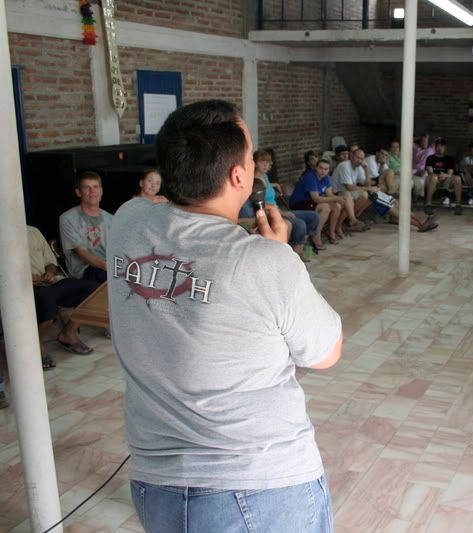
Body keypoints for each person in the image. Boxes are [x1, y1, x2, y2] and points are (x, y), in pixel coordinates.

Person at [108, 100, 342, 532]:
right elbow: (325, 353)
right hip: (259, 487)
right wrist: (279, 254)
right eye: (251, 156)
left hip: (154, 485)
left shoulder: (127, 222)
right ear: (239, 176)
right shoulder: (265, 262)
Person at [28, 225, 99, 368]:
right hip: (22, 289)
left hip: (49, 282)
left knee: (93, 291)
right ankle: (36, 345)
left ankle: (68, 333)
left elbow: (51, 262)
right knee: (47, 302)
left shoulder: (32, 231)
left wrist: (50, 272)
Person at [240, 150, 321, 261]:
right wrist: (282, 213)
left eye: (268, 162)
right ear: (255, 163)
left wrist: (276, 184)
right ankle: (296, 254)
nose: (265, 165)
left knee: (314, 216)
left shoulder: (264, 176)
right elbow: (259, 203)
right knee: (300, 224)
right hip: (272, 213)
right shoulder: (254, 182)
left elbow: (267, 186)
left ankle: (300, 245)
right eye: (262, 162)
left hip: (278, 209)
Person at [59, 171, 113, 282]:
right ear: (78, 192)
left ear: (101, 191)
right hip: (84, 273)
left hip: (108, 269)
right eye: (87, 187)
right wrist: (110, 268)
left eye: (96, 187)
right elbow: (81, 252)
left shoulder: (111, 219)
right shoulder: (67, 218)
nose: (92, 191)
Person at [291, 158, 347, 244]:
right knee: (325, 207)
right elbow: (316, 198)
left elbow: (329, 194)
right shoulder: (310, 176)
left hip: (311, 202)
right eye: (321, 168)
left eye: (326, 169)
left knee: (337, 206)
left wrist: (339, 198)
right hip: (299, 203)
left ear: (329, 170)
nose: (323, 171)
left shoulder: (327, 178)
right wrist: (336, 198)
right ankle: (316, 235)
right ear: (316, 168)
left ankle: (331, 232)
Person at [331, 147, 373, 230]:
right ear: (351, 156)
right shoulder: (344, 165)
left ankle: (349, 221)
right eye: (357, 158)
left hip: (347, 192)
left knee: (366, 195)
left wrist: (366, 169)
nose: (359, 161)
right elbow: (349, 187)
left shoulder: (359, 167)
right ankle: (349, 220)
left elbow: (367, 184)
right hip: (336, 192)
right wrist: (368, 188)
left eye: (361, 159)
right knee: (352, 196)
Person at [424, 138, 462, 216]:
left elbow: (450, 172)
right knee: (434, 177)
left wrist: (445, 175)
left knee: (457, 178)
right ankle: (428, 204)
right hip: (433, 179)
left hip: (446, 179)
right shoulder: (430, 158)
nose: (440, 148)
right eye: (438, 146)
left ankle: (458, 205)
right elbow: (429, 171)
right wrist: (438, 176)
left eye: (442, 146)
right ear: (435, 147)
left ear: (445, 148)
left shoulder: (449, 159)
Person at [412, 134, 434, 199]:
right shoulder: (417, 148)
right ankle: (417, 196)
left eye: (425, 141)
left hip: (425, 171)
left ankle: (420, 196)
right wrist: (419, 137)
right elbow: (408, 139)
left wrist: (427, 137)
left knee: (425, 173)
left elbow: (439, 140)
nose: (424, 142)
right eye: (422, 141)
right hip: (415, 170)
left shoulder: (431, 149)